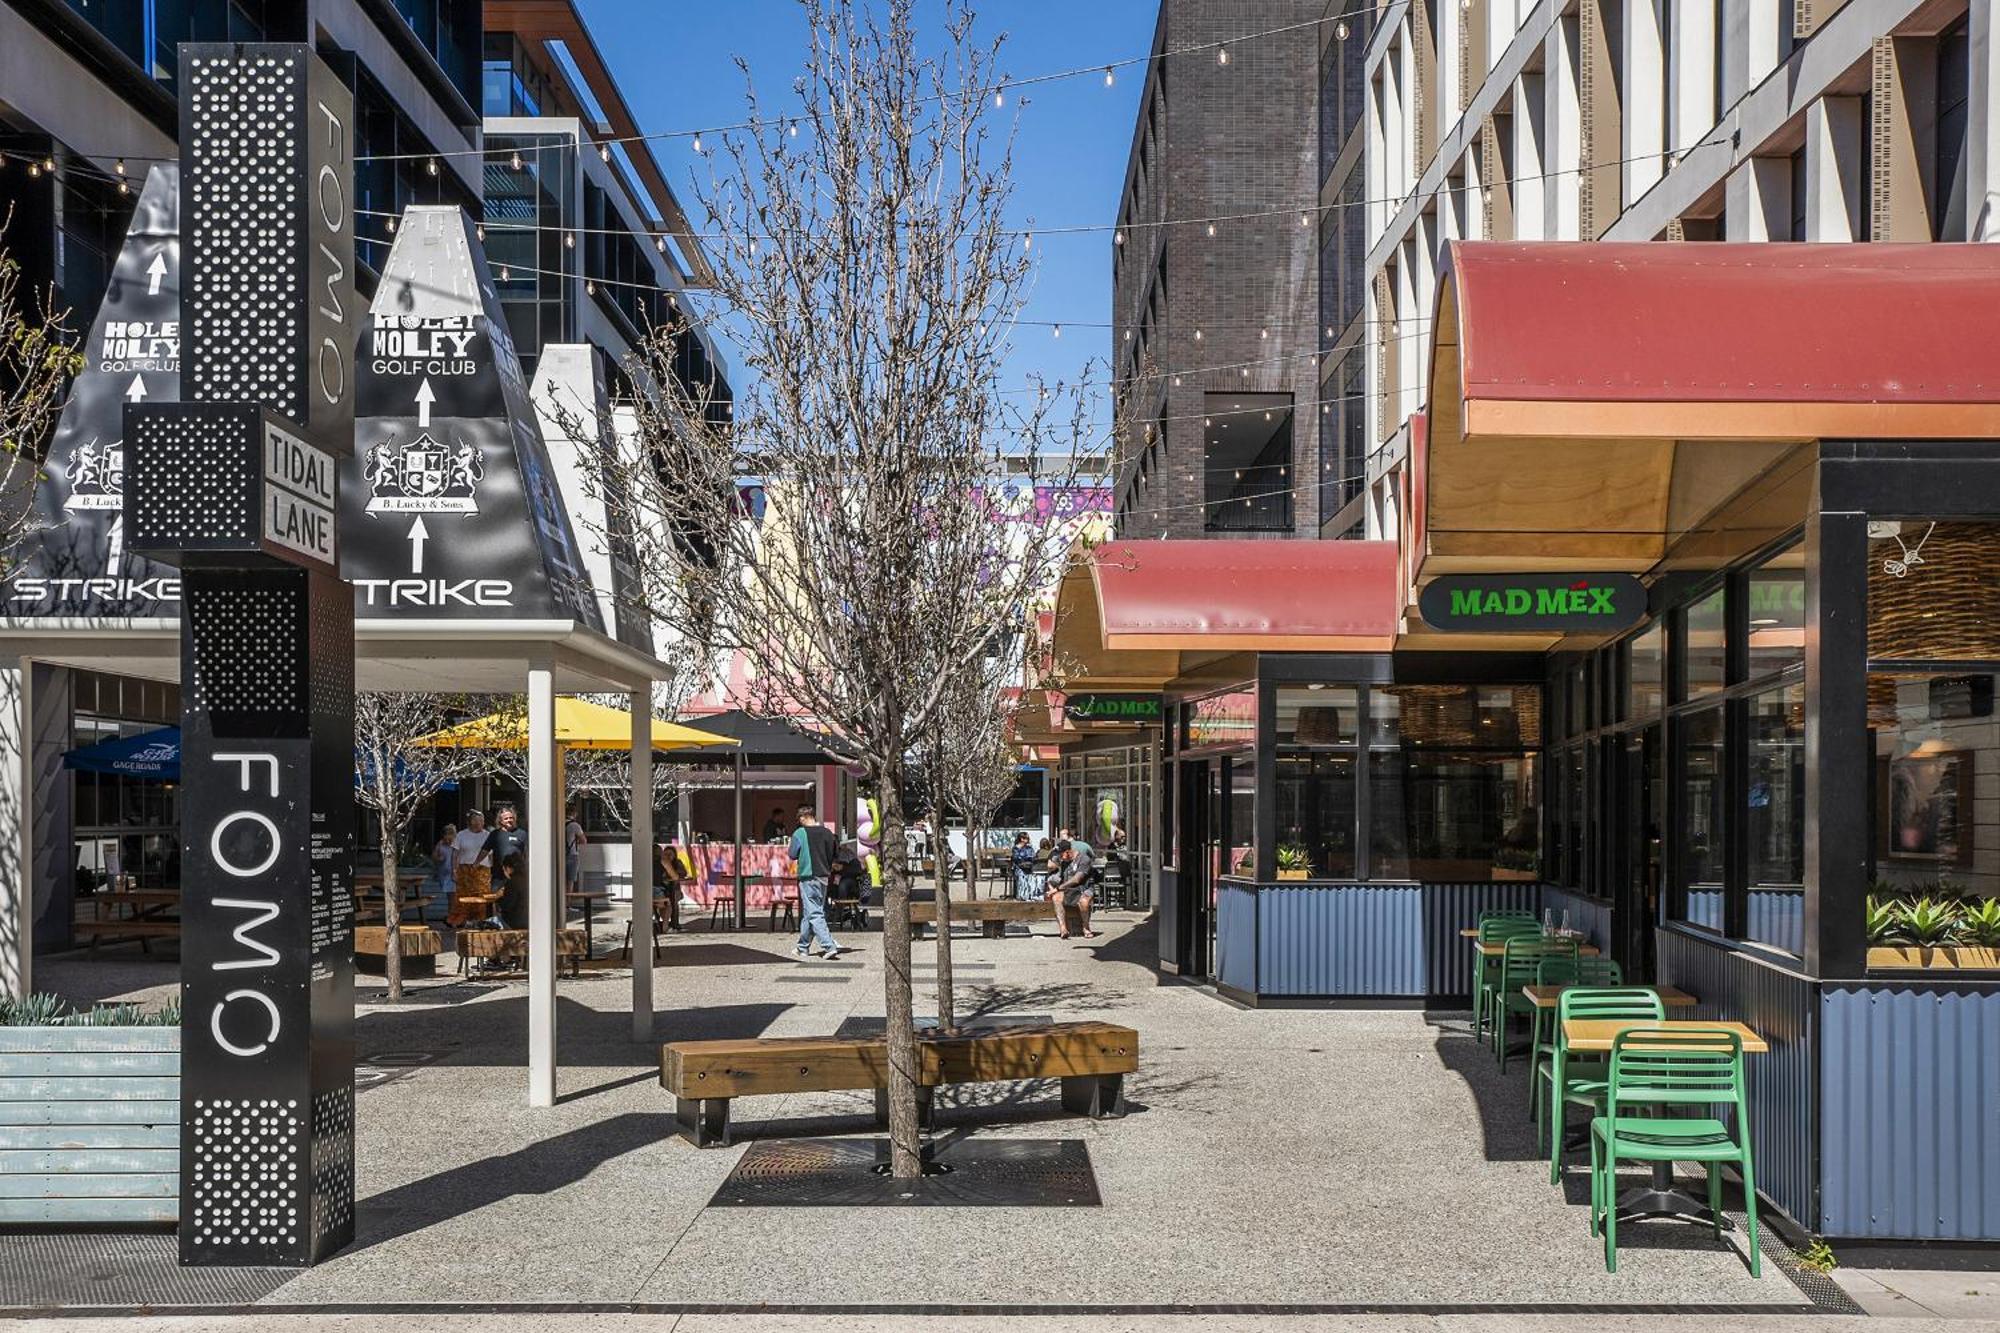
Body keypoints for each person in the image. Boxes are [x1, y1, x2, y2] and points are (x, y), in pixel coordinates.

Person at [787, 803, 842, 961]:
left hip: (808, 876)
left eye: (799, 819)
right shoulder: (828, 833)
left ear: (804, 817)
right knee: (810, 912)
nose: (799, 822)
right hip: (824, 877)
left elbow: (792, 854)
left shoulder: (800, 833)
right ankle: (802, 947)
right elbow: (834, 854)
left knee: (815, 912)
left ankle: (828, 945)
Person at [1045, 837, 1100, 940]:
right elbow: (1060, 878)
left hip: (1084, 888)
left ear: (1067, 852)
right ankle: (1063, 929)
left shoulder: (1084, 859)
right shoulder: (1065, 862)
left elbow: (1076, 880)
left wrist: (1057, 889)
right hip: (1069, 890)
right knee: (1056, 898)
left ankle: (1086, 928)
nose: (1060, 858)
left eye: (1061, 855)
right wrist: (1051, 887)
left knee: (1084, 902)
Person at [449, 811, 491, 925]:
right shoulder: (461, 835)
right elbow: (455, 854)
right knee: (463, 895)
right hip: (464, 869)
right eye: (475, 820)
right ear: (470, 821)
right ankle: (461, 920)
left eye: (480, 820)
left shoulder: (488, 835)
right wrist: (454, 870)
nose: (478, 823)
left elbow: (492, 854)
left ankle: (480, 921)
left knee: (481, 896)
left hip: (482, 870)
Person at [652, 841, 686, 933]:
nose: (666, 855)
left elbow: (682, 873)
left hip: (643, 890)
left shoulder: (645, 861)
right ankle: (665, 927)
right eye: (664, 852)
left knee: (672, 898)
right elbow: (675, 877)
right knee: (668, 904)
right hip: (657, 890)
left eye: (670, 854)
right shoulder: (663, 861)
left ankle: (662, 923)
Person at [564, 804, 588, 898]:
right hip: (572, 855)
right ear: (574, 813)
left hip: (560, 855)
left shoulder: (558, 823)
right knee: (570, 881)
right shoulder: (574, 825)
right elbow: (584, 840)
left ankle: (560, 904)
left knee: (561, 880)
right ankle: (567, 904)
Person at [1009, 832, 1038, 901]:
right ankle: (1021, 896)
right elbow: (1016, 858)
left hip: (1028, 867)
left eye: (1028, 838)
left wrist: (1027, 859)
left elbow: (1033, 856)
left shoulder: (1029, 848)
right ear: (1022, 839)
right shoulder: (1015, 848)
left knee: (1030, 877)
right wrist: (1026, 858)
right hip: (1019, 868)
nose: (1028, 839)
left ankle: (1027, 896)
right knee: (1021, 874)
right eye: (1026, 838)